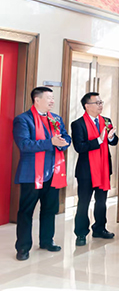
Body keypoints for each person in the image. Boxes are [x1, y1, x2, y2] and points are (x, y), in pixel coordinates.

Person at [13, 87, 71, 261]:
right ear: (37, 100)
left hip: (53, 172)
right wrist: (50, 142)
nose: (52, 101)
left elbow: (66, 137)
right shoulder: (23, 119)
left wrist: (63, 142)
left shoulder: (56, 119)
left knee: (49, 209)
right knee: (26, 212)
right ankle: (23, 247)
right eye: (49, 98)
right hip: (31, 174)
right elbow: (24, 144)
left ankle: (47, 241)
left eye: (53, 98)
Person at [72, 92, 118, 246]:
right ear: (87, 106)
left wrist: (110, 137)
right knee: (83, 203)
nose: (100, 105)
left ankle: (100, 228)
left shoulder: (106, 121)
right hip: (86, 171)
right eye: (97, 103)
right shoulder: (78, 124)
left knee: (102, 201)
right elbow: (79, 147)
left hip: (103, 168)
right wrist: (99, 140)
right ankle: (81, 233)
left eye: (101, 102)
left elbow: (114, 141)